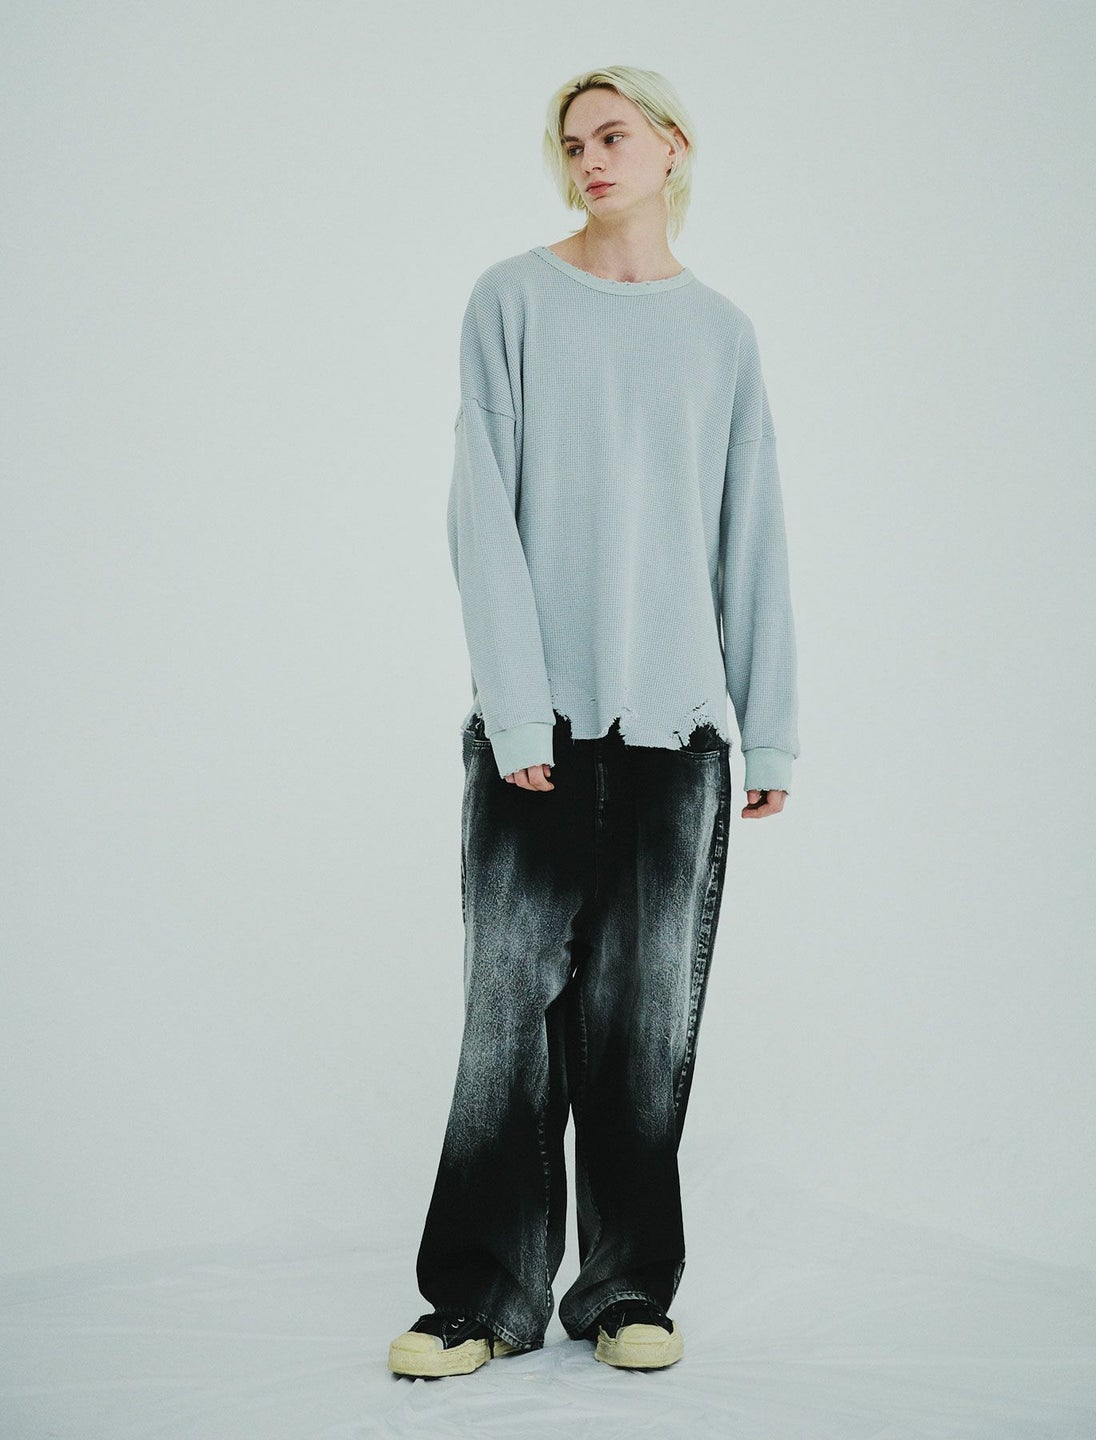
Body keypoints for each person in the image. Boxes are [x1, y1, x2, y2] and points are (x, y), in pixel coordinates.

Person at [388, 63, 798, 1379]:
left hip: (679, 741)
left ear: (674, 146)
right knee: (507, 1032)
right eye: (572, 144)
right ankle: (480, 1299)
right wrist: (517, 711)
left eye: (612, 136)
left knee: (642, 1035)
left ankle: (626, 1290)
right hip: (536, 735)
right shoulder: (510, 301)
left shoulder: (721, 334)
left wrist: (770, 728)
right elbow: (482, 515)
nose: (589, 161)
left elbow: (750, 534)